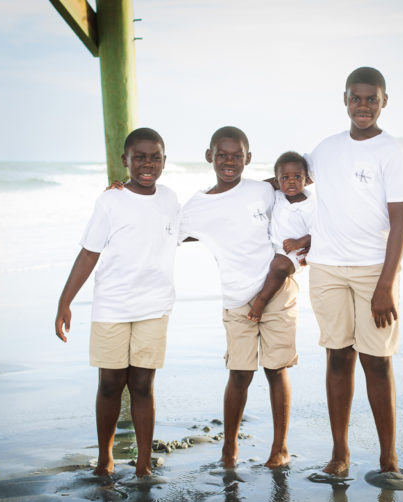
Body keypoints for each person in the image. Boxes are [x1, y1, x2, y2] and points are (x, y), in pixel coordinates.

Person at [305, 67, 403, 488]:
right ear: (345, 100)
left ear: (384, 102)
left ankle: (388, 458)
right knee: (337, 356)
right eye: (356, 98)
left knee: (377, 361)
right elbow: (289, 182)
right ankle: (339, 455)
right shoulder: (326, 148)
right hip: (326, 268)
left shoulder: (391, 152)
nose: (363, 106)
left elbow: (401, 224)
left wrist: (386, 285)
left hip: (374, 270)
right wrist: (230, 188)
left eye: (371, 99)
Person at [54, 128, 180, 478]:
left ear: (164, 161)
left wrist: (275, 183)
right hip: (112, 306)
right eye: (139, 157)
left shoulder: (170, 198)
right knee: (110, 383)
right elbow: (89, 252)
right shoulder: (110, 200)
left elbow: (198, 222)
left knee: (142, 385)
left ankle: (143, 462)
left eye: (154, 157)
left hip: (154, 307)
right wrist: (66, 302)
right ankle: (105, 459)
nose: (147, 163)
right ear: (125, 161)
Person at [179, 126, 298, 469]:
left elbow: (299, 179)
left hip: (276, 291)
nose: (229, 162)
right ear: (209, 157)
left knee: (276, 370)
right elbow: (166, 229)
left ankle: (279, 449)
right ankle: (229, 448)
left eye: (236, 155)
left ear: (248, 158)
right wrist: (123, 191)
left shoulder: (262, 190)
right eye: (222, 155)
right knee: (240, 373)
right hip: (236, 297)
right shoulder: (197, 206)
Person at [247, 151, 315, 322]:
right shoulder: (277, 196)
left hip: (294, 252)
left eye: (297, 177)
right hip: (272, 245)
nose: (291, 181)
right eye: (285, 178)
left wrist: (301, 241)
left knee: (280, 267)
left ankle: (261, 301)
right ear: (277, 182)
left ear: (306, 179)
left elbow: (320, 231)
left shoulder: (310, 205)